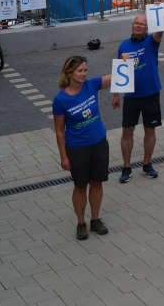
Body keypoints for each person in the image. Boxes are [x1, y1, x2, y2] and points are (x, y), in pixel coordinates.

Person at [53, 56, 112, 240]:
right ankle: (81, 222)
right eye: (80, 71)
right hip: (77, 148)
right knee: (80, 186)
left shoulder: (91, 85)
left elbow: (117, 77)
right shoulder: (60, 100)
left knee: (97, 183)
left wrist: (125, 62)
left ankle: (95, 219)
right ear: (69, 73)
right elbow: (60, 131)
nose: (84, 74)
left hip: (99, 143)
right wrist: (63, 157)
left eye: (85, 70)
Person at [113, 14, 164, 184]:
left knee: (150, 130)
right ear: (132, 25)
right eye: (136, 23)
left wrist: (158, 11)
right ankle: (126, 167)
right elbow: (118, 72)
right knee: (127, 131)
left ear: (147, 28)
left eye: (142, 24)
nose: (138, 26)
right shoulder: (123, 46)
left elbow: (160, 31)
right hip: (131, 96)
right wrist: (116, 95)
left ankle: (147, 163)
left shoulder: (152, 41)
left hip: (151, 94)